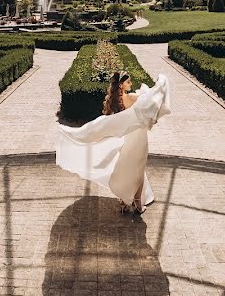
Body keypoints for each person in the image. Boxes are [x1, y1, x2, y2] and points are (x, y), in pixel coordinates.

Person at [56, 71, 171, 215]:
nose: (131, 84)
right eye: (128, 82)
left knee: (125, 167)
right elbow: (153, 98)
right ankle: (137, 204)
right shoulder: (132, 97)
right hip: (138, 137)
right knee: (139, 170)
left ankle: (124, 202)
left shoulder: (115, 102)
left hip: (127, 139)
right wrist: (161, 81)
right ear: (121, 85)